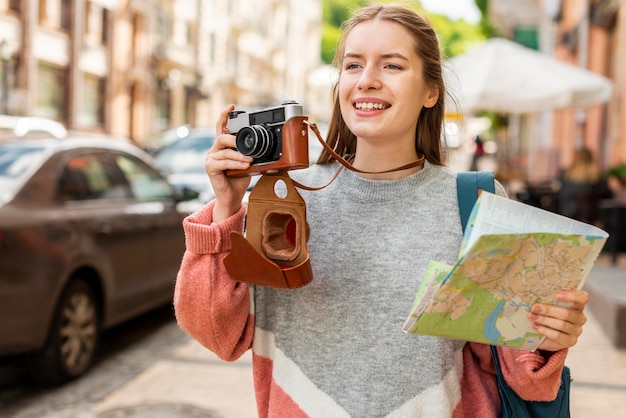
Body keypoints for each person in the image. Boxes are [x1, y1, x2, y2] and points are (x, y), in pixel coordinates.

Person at [174, 3, 589, 417]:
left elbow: (518, 372)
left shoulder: (477, 203)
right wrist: (226, 206)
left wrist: (547, 339)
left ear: (431, 91)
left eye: (391, 66)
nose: (367, 81)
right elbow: (219, 335)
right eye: (353, 66)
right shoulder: (283, 199)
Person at [556, 146, 612, 224]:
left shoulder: (566, 174)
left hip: (568, 214)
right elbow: (608, 194)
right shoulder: (597, 175)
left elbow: (559, 192)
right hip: (590, 217)